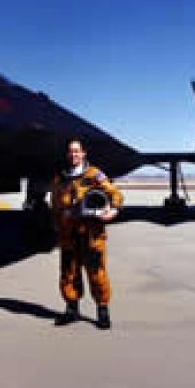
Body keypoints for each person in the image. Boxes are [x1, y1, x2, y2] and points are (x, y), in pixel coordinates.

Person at [50, 139, 123, 329]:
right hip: (68, 235)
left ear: (84, 154)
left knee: (97, 273)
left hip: (91, 234)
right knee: (68, 273)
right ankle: (72, 310)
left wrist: (113, 210)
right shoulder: (60, 178)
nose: (74, 155)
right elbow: (55, 205)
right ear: (68, 155)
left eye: (77, 151)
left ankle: (103, 312)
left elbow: (114, 193)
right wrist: (58, 227)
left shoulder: (95, 175)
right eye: (70, 152)